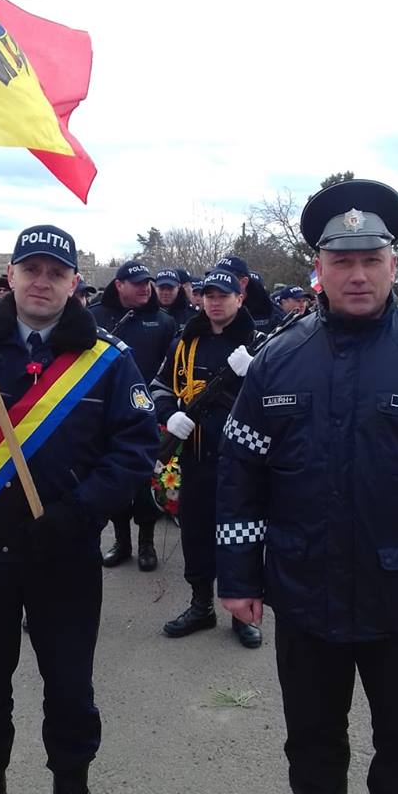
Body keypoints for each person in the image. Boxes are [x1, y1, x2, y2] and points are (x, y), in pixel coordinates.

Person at [215, 179, 398, 794]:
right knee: (310, 732)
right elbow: (240, 474)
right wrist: (238, 577)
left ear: (394, 264)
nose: (357, 274)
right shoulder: (278, 357)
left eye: (371, 259)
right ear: (319, 268)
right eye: (342, 261)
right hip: (304, 590)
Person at [0, 224, 159, 794]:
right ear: (9, 276)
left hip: (64, 551)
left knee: (69, 686)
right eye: (30, 269)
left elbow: (135, 448)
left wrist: (80, 513)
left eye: (55, 272)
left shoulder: (108, 359)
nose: (42, 282)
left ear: (74, 283)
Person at [151, 268, 262, 648]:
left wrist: (257, 372)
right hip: (196, 456)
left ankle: (241, 613)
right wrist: (170, 415)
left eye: (223, 295)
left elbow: (282, 396)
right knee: (196, 533)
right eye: (209, 295)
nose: (215, 302)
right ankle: (201, 606)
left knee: (241, 535)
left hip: (243, 462)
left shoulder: (258, 343)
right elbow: (160, 386)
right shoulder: (186, 342)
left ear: (240, 298)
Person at [90, 261, 175, 570]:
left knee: (145, 482)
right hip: (106, 414)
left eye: (147, 283)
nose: (145, 288)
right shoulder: (95, 317)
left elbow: (170, 372)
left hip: (147, 415)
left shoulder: (163, 321)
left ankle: (146, 543)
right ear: (119, 285)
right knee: (112, 479)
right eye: (137, 283)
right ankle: (122, 541)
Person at [215, 255, 284, 333]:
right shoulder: (212, 307)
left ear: (244, 282)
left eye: (226, 279)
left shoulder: (270, 310)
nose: (220, 284)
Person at [154, 268, 197, 333]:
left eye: (170, 288)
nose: (166, 292)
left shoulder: (192, 316)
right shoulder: (146, 314)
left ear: (178, 287)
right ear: (155, 288)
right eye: (162, 288)